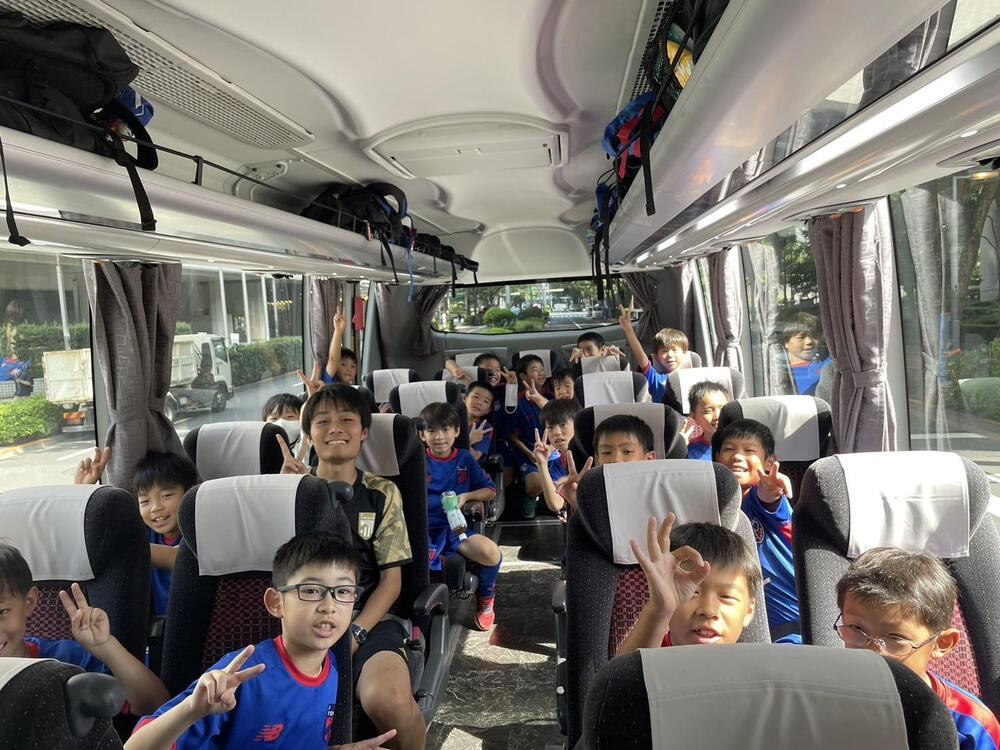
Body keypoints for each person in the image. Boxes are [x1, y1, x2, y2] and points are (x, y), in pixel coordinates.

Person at [128, 531, 396, 750]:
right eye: (311, 590)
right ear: (276, 603)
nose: (329, 606)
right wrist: (191, 710)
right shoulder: (241, 675)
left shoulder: (332, 671)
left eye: (343, 591)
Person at [277, 384, 425, 750]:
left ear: (363, 433)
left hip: (369, 618)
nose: (335, 428)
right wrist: (281, 492)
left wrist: (355, 634)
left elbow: (391, 582)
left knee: (388, 700)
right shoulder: (287, 491)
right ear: (309, 435)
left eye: (346, 420)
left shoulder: (381, 493)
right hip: (302, 619)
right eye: (322, 421)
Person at [836, 548, 1000, 750]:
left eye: (895, 637)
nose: (871, 652)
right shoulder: (824, 694)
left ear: (942, 643)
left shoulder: (972, 726)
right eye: (856, 629)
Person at [0, 543, 169, 715]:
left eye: (1, 612)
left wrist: (106, 646)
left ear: (29, 602)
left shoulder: (64, 661)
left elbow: (155, 705)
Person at [74, 448, 200, 620]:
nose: (155, 507)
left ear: (189, 494)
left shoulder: (196, 532)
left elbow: (180, 558)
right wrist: (82, 491)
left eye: (166, 495)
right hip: (154, 624)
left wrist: (118, 546)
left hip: (191, 620)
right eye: (145, 501)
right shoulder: (144, 533)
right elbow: (92, 531)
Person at [617, 515, 760, 655]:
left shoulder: (757, 665)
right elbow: (622, 671)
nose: (708, 610)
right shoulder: (652, 648)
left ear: (749, 611)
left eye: (726, 596)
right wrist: (660, 610)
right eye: (692, 593)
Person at [713, 419, 799, 643]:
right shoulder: (712, 505)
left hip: (791, 627)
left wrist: (771, 489)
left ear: (769, 462)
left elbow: (768, 498)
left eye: (749, 451)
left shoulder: (760, 500)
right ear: (716, 458)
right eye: (729, 449)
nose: (737, 456)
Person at [418, 403, 501, 631]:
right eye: (431, 431)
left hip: (456, 529)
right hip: (422, 530)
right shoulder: (417, 461)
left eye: (445, 430)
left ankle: (485, 597)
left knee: (492, 553)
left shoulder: (464, 458)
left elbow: (490, 490)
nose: (439, 437)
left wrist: (466, 496)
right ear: (422, 435)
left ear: (456, 431)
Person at [619, 305, 690, 403]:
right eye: (664, 351)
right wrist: (629, 330)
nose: (670, 355)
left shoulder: (693, 377)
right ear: (656, 356)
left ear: (685, 353)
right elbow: (641, 358)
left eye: (674, 350)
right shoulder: (656, 379)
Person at [529, 399, 581, 518]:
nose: (557, 432)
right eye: (551, 427)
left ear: (577, 424)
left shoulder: (592, 455)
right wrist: (542, 464)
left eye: (563, 425)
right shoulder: (557, 463)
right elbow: (555, 504)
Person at [780, 311, 830, 396]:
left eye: (814, 336)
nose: (809, 341)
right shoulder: (780, 374)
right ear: (786, 342)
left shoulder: (828, 365)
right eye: (801, 337)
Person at [683, 381, 731, 461]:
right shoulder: (690, 451)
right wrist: (680, 450)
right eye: (708, 411)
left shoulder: (742, 444)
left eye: (723, 409)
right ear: (694, 416)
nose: (717, 416)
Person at [323, 312, 358, 386]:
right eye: (343, 364)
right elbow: (333, 359)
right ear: (335, 367)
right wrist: (338, 330)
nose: (349, 369)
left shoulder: (355, 390)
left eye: (353, 366)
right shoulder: (330, 384)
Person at [464, 382, 495, 463]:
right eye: (476, 397)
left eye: (485, 401)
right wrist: (470, 440)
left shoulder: (485, 428)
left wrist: (466, 442)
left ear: (488, 410)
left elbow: (475, 457)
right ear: (465, 398)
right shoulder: (451, 419)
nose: (479, 403)